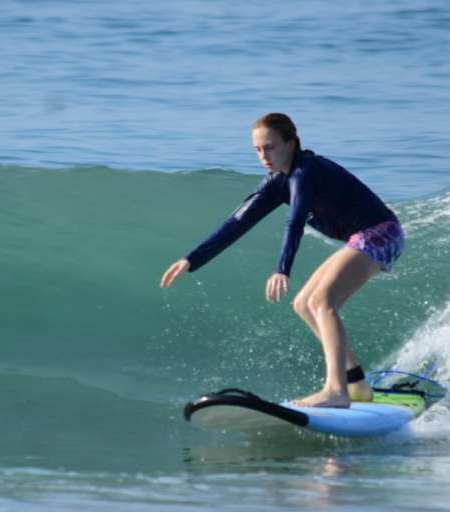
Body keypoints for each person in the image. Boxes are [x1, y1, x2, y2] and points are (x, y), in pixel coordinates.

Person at [159, 113, 404, 408]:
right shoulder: (277, 182)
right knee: (304, 304)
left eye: (270, 147)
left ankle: (336, 391)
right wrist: (192, 259)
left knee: (323, 302)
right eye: (258, 150)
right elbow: (237, 223)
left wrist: (282, 269)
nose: (264, 156)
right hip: (362, 238)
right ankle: (357, 384)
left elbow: (296, 219)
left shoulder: (305, 171)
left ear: (291, 142)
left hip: (380, 233)